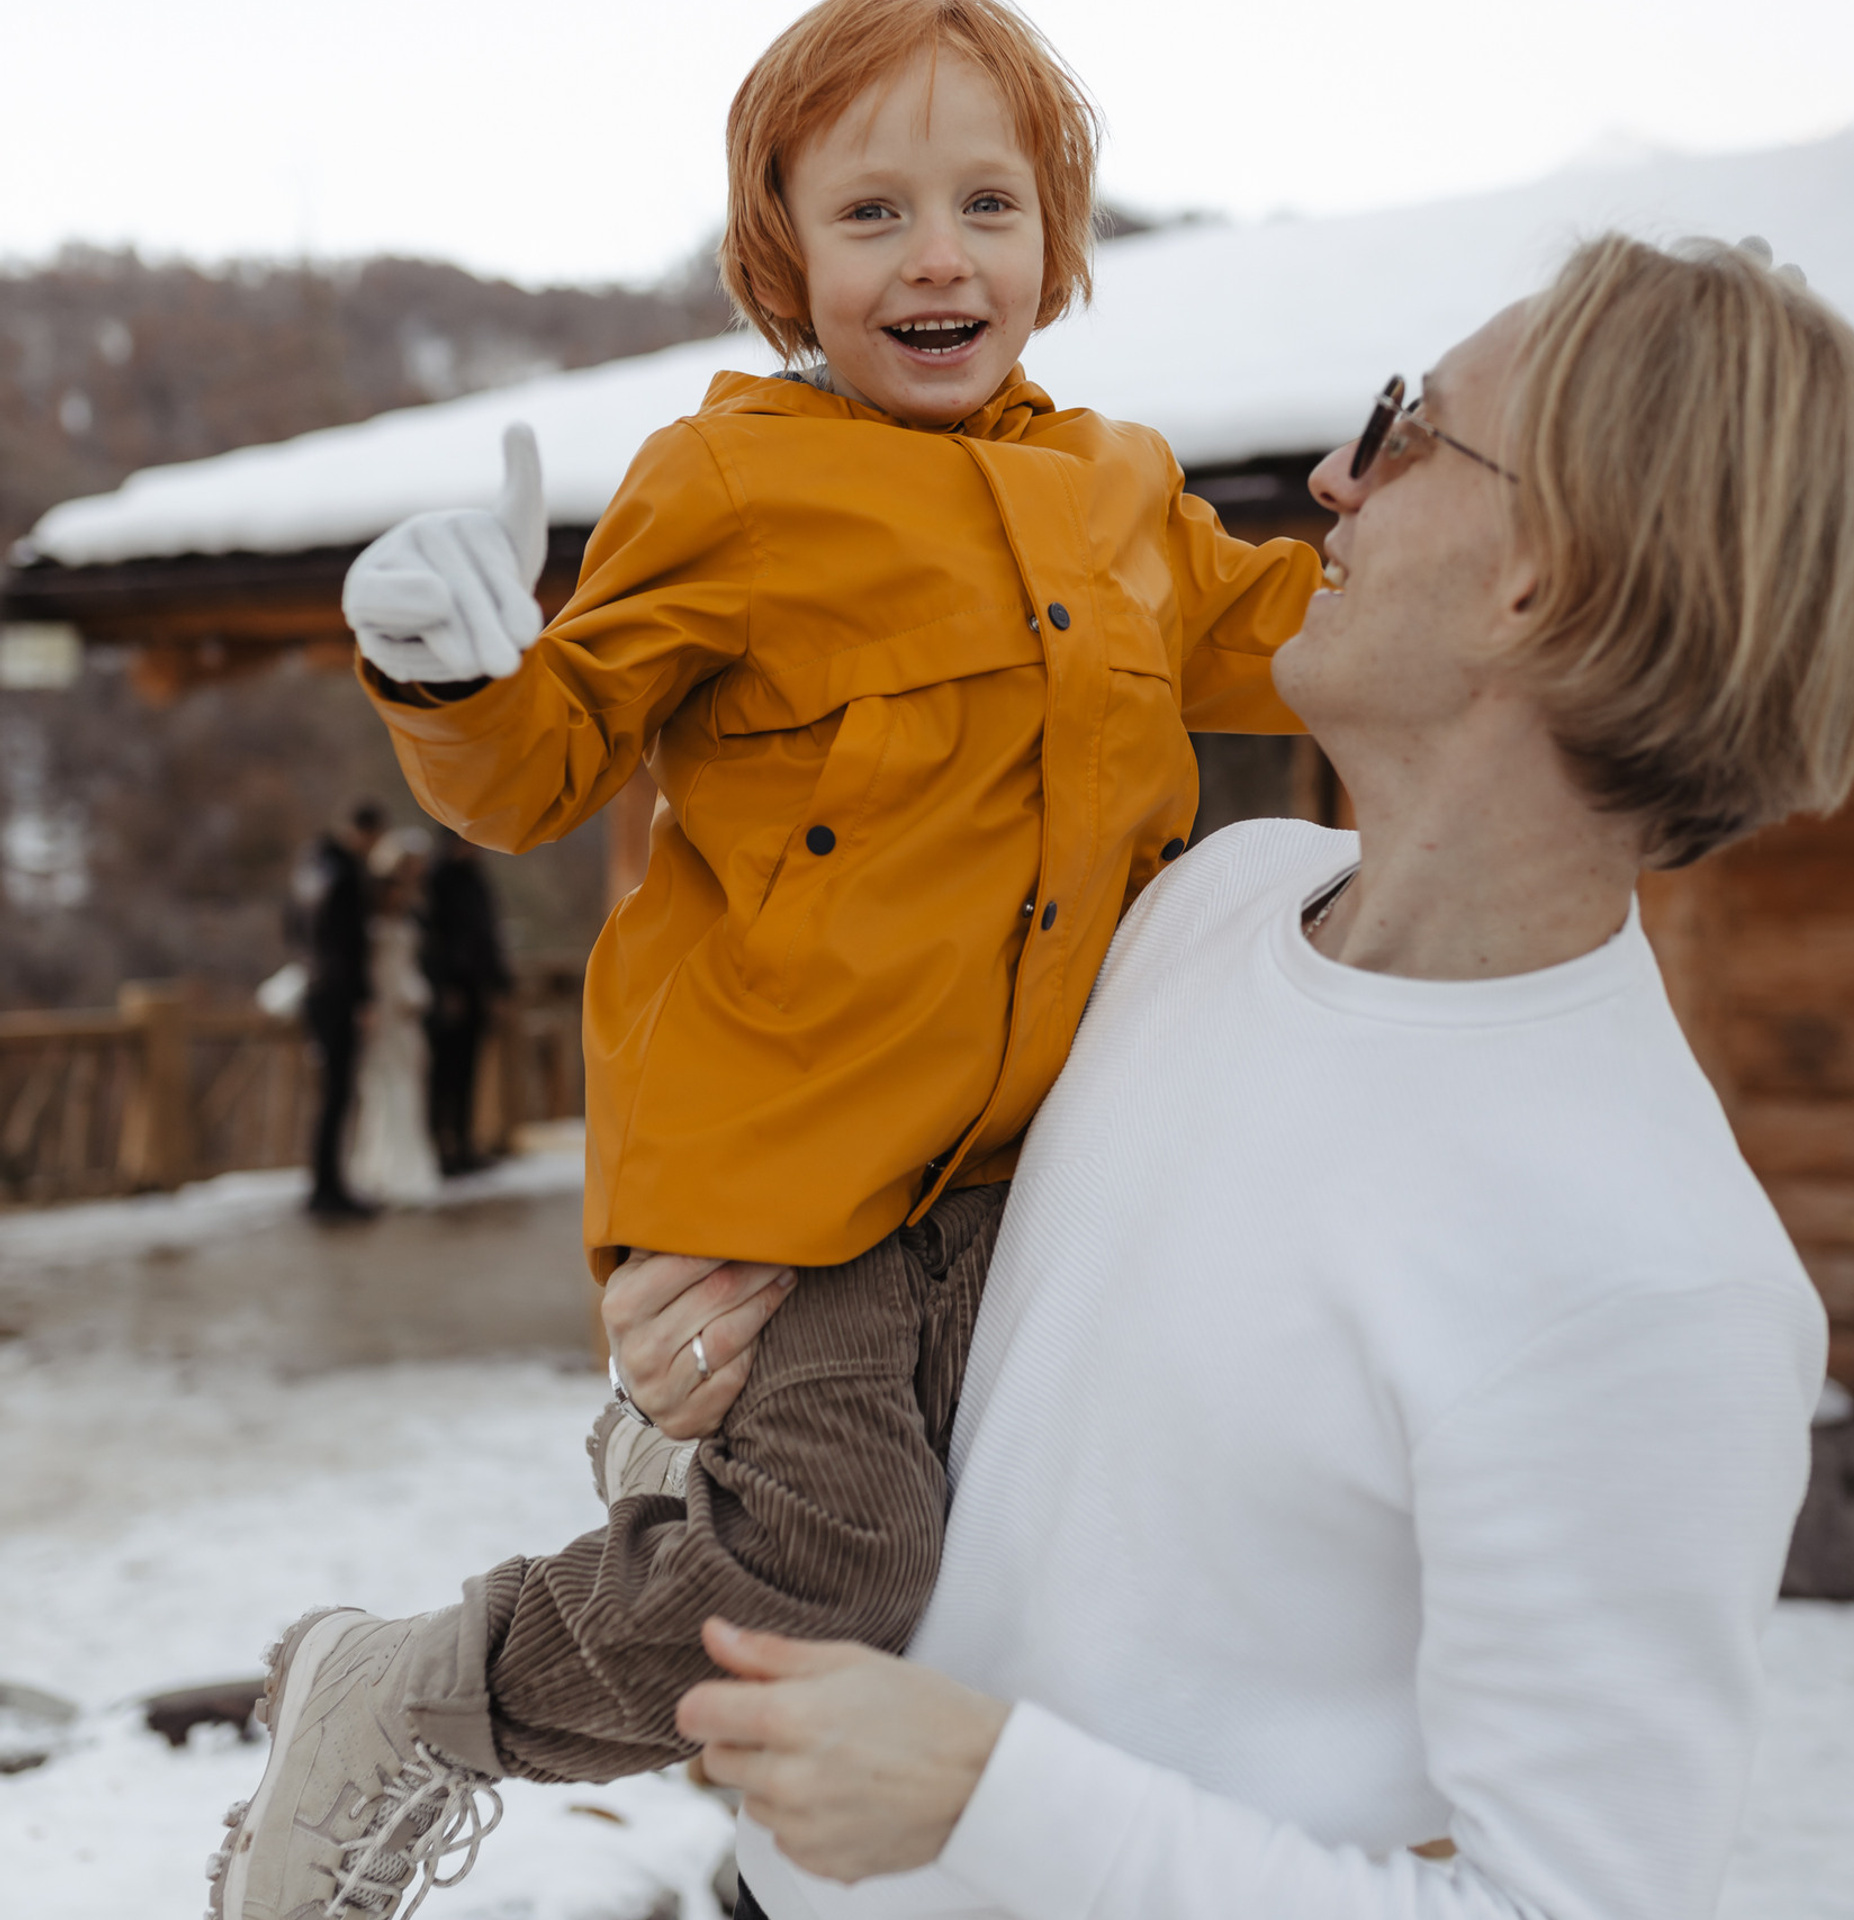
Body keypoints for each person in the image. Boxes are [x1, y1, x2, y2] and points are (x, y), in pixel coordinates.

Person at [646, 236, 1854, 1920]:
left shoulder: (1657, 1281)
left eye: (1410, 430)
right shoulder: (1207, 901)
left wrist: (990, 1798)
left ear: (1548, 571)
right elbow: (1006, 1389)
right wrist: (726, 1340)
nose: (1337, 475)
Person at [209, 6, 1323, 1917]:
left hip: (1018, 1175)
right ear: (783, 251)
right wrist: (451, 671)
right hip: (779, 1187)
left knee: (1013, 1564)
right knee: (836, 1567)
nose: (940, 256)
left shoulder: (1132, 498)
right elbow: (544, 759)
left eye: (990, 202)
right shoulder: (727, 484)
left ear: (1061, 242)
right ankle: (404, 1691)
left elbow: (1309, 640)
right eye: (873, 210)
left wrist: (1450, 537)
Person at [293, 799, 385, 1218]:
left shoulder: (311, 869)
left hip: (316, 986)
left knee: (331, 1094)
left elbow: (294, 927)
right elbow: (351, 947)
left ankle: (326, 1183)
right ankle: (327, 1188)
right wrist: (362, 999)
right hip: (338, 994)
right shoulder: (346, 874)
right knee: (336, 1093)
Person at [347, 829, 442, 1205]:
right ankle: (383, 1166)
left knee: (405, 1086)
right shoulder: (374, 929)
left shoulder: (408, 920)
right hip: (385, 1015)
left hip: (402, 1018)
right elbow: (382, 975)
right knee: (383, 1089)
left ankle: (399, 1164)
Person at [420, 829, 513, 1176]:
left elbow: (489, 939)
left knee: (468, 1072)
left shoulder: (477, 879)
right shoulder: (437, 881)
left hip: (477, 989)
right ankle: (440, 1146)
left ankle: (464, 1141)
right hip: (450, 991)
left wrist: (499, 987)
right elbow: (433, 943)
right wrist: (444, 988)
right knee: (444, 1073)